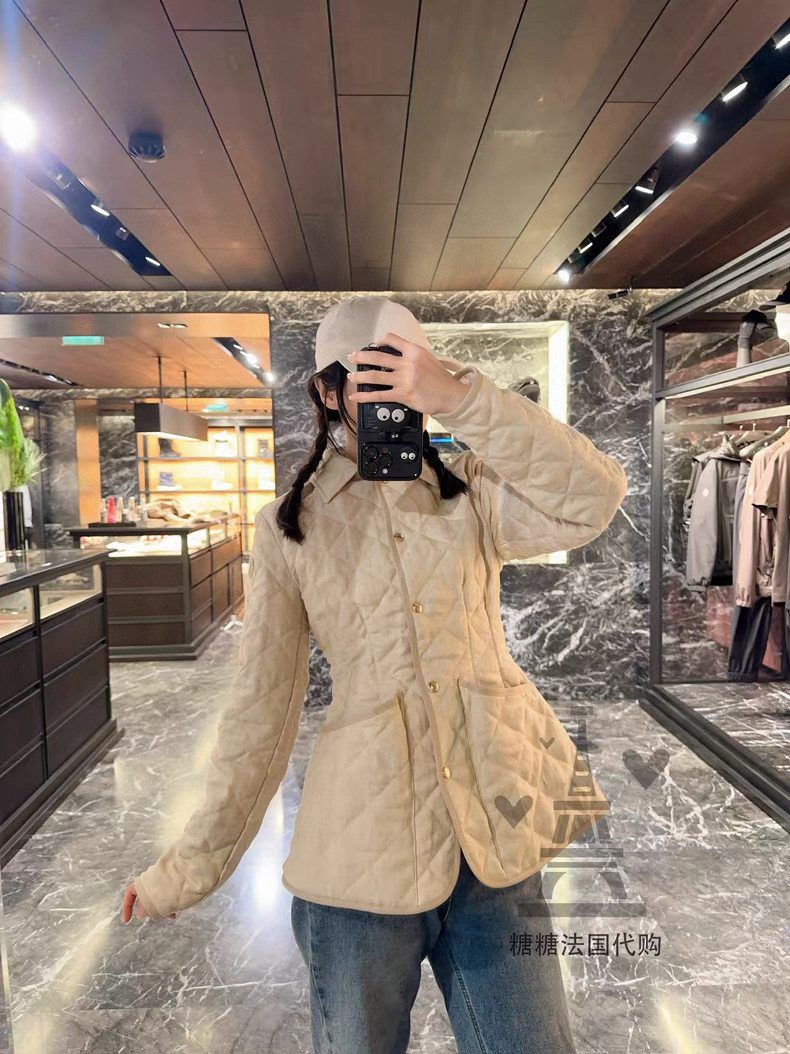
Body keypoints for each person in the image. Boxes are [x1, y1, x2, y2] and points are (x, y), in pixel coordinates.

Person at [122, 296, 628, 1053]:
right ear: (329, 392)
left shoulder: (472, 492)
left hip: (494, 834)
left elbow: (594, 497)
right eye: (375, 375)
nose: (397, 394)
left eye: (409, 371)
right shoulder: (291, 527)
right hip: (359, 855)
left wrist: (458, 397)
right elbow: (260, 709)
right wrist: (189, 868)